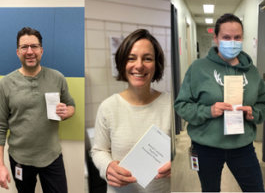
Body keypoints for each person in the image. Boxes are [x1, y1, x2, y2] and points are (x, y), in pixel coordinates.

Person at [174, 13, 265, 192]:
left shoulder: (252, 72)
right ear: (216, 38)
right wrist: (209, 110)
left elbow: (263, 104)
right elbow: (181, 105)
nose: (232, 42)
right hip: (207, 147)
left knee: (256, 189)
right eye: (226, 37)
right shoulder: (198, 68)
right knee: (210, 190)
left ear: (242, 38)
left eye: (237, 37)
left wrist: (253, 113)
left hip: (242, 146)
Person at [91, 29, 171, 193]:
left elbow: (188, 149)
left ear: (157, 64)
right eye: (131, 58)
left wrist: (178, 163)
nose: (139, 65)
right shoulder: (108, 107)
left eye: (147, 58)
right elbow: (99, 150)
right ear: (122, 64)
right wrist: (107, 167)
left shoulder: (172, 105)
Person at [0, 27, 75, 193]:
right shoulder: (6, 84)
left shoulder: (57, 77)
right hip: (20, 159)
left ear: (41, 50)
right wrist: (0, 165)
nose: (29, 51)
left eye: (34, 46)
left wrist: (66, 112)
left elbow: (71, 105)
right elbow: (0, 126)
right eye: (24, 47)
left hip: (52, 156)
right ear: (17, 51)